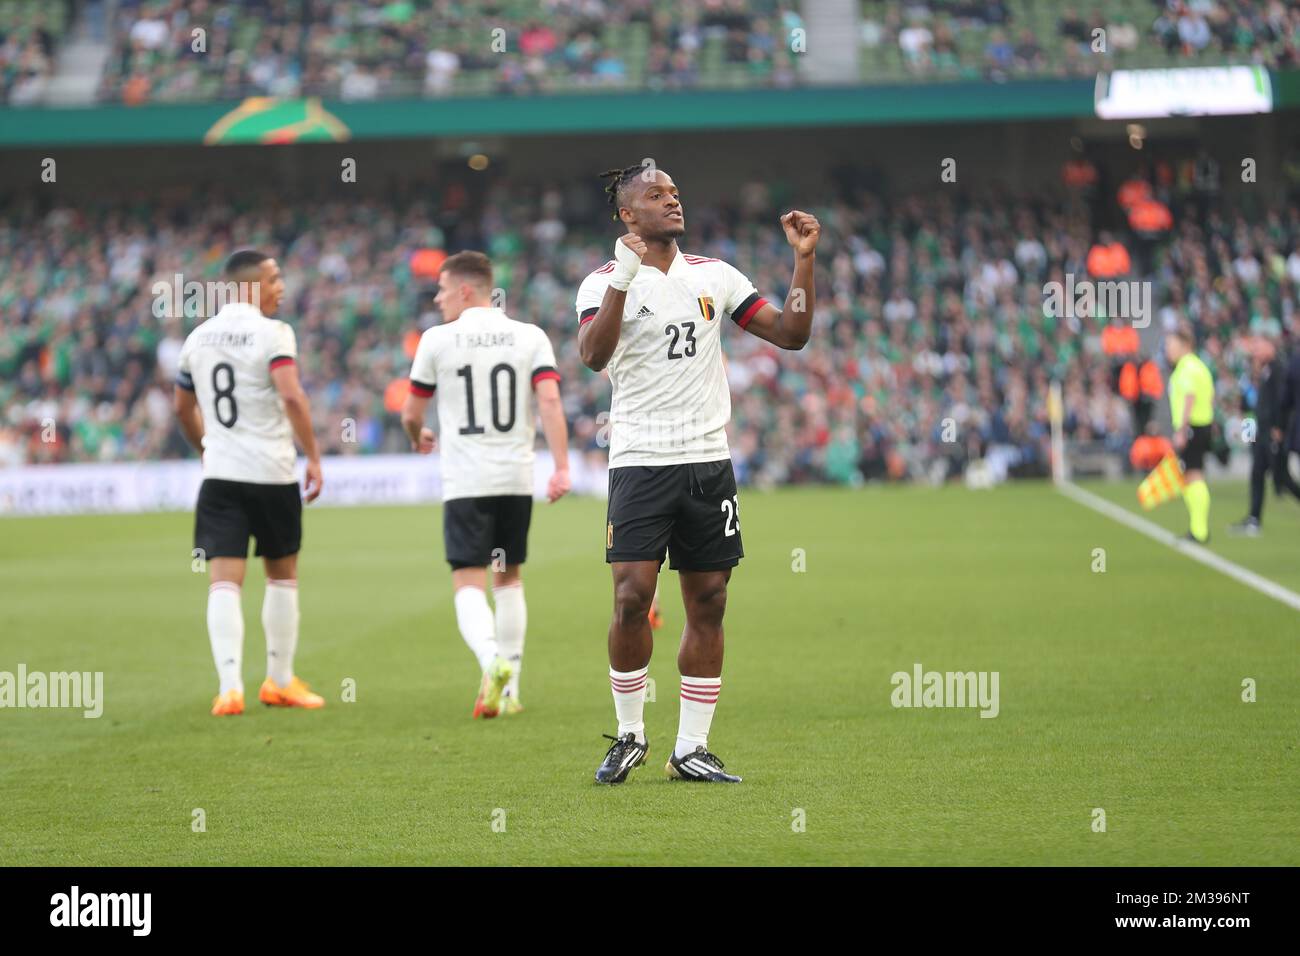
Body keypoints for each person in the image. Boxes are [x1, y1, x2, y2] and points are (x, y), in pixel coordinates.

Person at [576, 164, 819, 783]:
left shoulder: (715, 274)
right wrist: (625, 277)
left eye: (676, 193)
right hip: (640, 461)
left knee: (708, 601)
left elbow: (791, 333)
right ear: (628, 215)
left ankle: (691, 747)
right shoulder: (601, 282)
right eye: (656, 196)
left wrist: (803, 262)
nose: (672, 201)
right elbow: (592, 355)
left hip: (708, 464)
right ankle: (629, 733)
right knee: (632, 596)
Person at [401, 251, 571, 718]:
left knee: (467, 583)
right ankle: (511, 687)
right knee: (509, 578)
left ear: (465, 290)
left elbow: (411, 413)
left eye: (440, 289)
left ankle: (490, 660)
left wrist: (420, 437)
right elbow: (550, 401)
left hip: (466, 481)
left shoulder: (437, 340)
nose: (436, 299)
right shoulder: (529, 336)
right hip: (515, 478)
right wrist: (560, 467)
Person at [173, 250, 325, 716]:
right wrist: (314, 457)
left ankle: (229, 687)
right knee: (282, 575)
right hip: (271, 474)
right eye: (274, 278)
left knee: (224, 582)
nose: (281, 286)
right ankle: (279, 681)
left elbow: (182, 408)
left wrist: (205, 448)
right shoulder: (274, 333)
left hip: (220, 477)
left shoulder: (198, 338)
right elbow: (291, 395)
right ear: (251, 286)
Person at [1165, 322, 1214, 544]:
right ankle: (1198, 527)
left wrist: (1182, 430)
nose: (1168, 349)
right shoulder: (1199, 366)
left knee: (1192, 475)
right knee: (1193, 474)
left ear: (1184, 345)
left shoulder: (1186, 368)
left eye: (1171, 344)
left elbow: (1188, 397)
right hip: (1202, 425)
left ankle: (1199, 529)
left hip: (1192, 426)